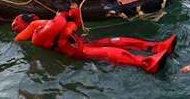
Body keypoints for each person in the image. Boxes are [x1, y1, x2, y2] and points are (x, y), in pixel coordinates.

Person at [12, 7, 177, 73]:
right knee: (107, 52)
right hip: (77, 52)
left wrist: (73, 14)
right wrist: (63, 16)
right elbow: (61, 23)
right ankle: (146, 63)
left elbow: (74, 24)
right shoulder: (37, 36)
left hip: (82, 43)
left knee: (116, 41)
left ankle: (158, 46)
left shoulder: (44, 27)